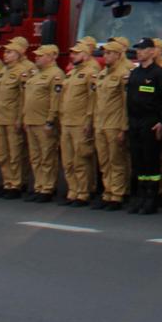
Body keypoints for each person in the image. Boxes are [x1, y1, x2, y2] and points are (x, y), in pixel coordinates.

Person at [126, 38, 162, 214]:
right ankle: (141, 197)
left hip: (151, 122)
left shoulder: (159, 74)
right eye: (138, 49)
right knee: (138, 162)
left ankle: (152, 198)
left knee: (151, 161)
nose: (139, 52)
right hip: (135, 122)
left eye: (144, 49)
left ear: (152, 52)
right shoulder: (135, 73)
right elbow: (129, 100)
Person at [58, 37, 103, 207]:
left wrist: (89, 121)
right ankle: (72, 190)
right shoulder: (72, 72)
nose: (72, 56)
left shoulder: (91, 72)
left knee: (80, 160)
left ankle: (83, 192)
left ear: (85, 55)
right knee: (67, 160)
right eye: (72, 53)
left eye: (76, 53)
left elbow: (93, 99)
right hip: (67, 121)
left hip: (79, 122)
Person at [91, 38, 133, 210]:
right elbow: (97, 101)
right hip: (101, 124)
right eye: (104, 53)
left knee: (117, 160)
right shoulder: (103, 73)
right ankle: (107, 192)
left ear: (118, 54)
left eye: (109, 53)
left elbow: (125, 103)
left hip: (114, 124)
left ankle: (117, 194)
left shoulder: (124, 73)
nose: (105, 56)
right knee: (104, 161)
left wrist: (124, 127)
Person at [21, 43, 66, 203]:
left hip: (43, 122)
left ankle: (47, 188)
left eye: (41, 56)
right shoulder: (35, 75)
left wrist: (50, 121)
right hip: (31, 121)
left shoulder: (55, 74)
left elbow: (55, 100)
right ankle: (38, 185)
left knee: (47, 156)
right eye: (37, 55)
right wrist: (25, 118)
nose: (37, 58)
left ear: (51, 57)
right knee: (35, 157)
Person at [0, 37, 35, 199]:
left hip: (12, 117)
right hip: (1, 117)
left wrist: (20, 118)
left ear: (18, 54)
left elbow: (23, 98)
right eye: (5, 52)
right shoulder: (4, 71)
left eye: (9, 52)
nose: (6, 55)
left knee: (15, 152)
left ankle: (16, 183)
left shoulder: (23, 71)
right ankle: (7, 181)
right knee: (3, 153)